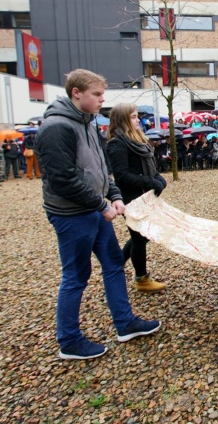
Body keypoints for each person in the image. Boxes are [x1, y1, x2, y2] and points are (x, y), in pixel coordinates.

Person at [36, 69, 161, 360]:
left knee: (115, 263)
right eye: (96, 94)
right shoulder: (57, 127)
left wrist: (114, 196)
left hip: (93, 209)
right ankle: (69, 340)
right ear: (76, 93)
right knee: (76, 275)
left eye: (102, 94)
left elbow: (101, 170)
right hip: (71, 214)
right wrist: (102, 204)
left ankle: (125, 322)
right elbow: (62, 179)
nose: (101, 99)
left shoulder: (89, 123)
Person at [106, 103, 167, 293]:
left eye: (136, 116)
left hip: (145, 196)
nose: (138, 119)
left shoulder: (138, 140)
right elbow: (122, 175)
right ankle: (141, 279)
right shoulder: (117, 143)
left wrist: (157, 178)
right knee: (140, 238)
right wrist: (150, 181)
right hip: (131, 198)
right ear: (123, 120)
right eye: (133, 117)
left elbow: (149, 166)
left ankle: (115, 266)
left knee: (140, 236)